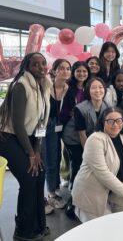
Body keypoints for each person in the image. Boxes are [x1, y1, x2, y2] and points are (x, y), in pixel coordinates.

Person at [0, 53, 51, 240]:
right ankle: (23, 230)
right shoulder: (21, 85)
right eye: (35, 64)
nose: (40, 67)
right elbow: (18, 124)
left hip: (28, 137)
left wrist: (37, 150)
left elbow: (42, 123)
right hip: (7, 136)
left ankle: (38, 225)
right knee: (29, 178)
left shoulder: (44, 86)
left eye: (43, 63)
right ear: (27, 67)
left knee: (40, 174)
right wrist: (31, 153)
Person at [72, 107, 123, 222]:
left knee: (118, 219)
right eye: (110, 121)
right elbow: (103, 173)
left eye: (119, 121)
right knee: (100, 229)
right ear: (102, 122)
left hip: (112, 189)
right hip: (91, 191)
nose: (115, 125)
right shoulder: (95, 139)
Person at [43, 59, 71, 213]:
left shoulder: (68, 88)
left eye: (68, 68)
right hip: (47, 126)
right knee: (49, 159)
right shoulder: (46, 85)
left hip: (62, 126)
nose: (65, 71)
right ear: (54, 71)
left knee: (58, 158)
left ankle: (55, 186)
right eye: (61, 68)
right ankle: (51, 193)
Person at [60, 61, 91, 189]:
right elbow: (62, 109)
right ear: (73, 73)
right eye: (78, 71)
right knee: (77, 161)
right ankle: (74, 190)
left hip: (85, 130)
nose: (82, 74)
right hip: (70, 131)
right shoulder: (67, 88)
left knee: (83, 162)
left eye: (84, 71)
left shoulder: (89, 88)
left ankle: (80, 187)